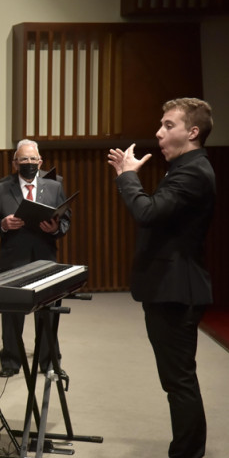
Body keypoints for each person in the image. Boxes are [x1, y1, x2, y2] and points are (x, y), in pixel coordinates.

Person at [107, 98, 215, 458]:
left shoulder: (194, 170)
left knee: (179, 382)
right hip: (169, 287)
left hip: (176, 290)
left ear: (193, 132)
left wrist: (127, 176)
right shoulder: (186, 167)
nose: (159, 132)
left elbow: (147, 212)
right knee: (176, 380)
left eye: (169, 125)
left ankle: (187, 453)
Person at [0, 139, 70, 378]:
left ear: (40, 162)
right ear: (15, 163)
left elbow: (65, 221)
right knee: (12, 313)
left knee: (49, 312)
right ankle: (11, 360)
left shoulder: (55, 186)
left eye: (33, 159)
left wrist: (55, 229)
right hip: (14, 259)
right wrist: (3, 223)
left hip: (45, 258)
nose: (29, 163)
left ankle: (49, 361)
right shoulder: (0, 188)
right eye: (24, 159)